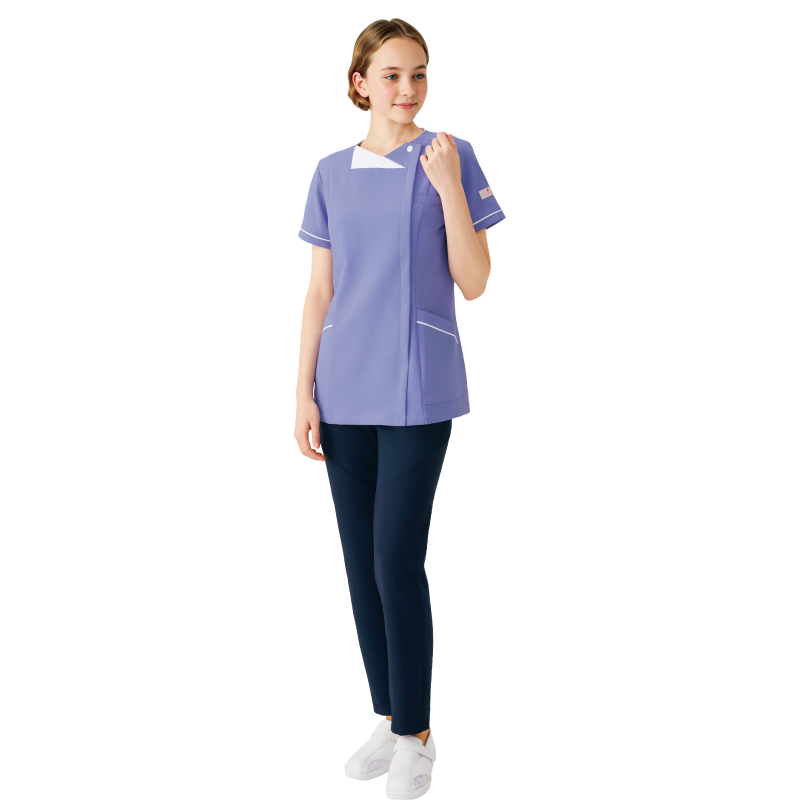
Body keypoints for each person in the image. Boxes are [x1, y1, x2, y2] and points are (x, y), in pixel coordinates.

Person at [293, 18, 506, 799]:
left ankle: (418, 732)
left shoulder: (450, 155)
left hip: (417, 386)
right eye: (391, 75)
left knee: (395, 560)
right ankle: (389, 716)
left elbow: (475, 280)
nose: (408, 89)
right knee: (360, 565)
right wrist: (302, 390)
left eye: (418, 73)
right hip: (343, 389)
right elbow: (320, 290)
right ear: (360, 83)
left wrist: (447, 187)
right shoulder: (329, 172)